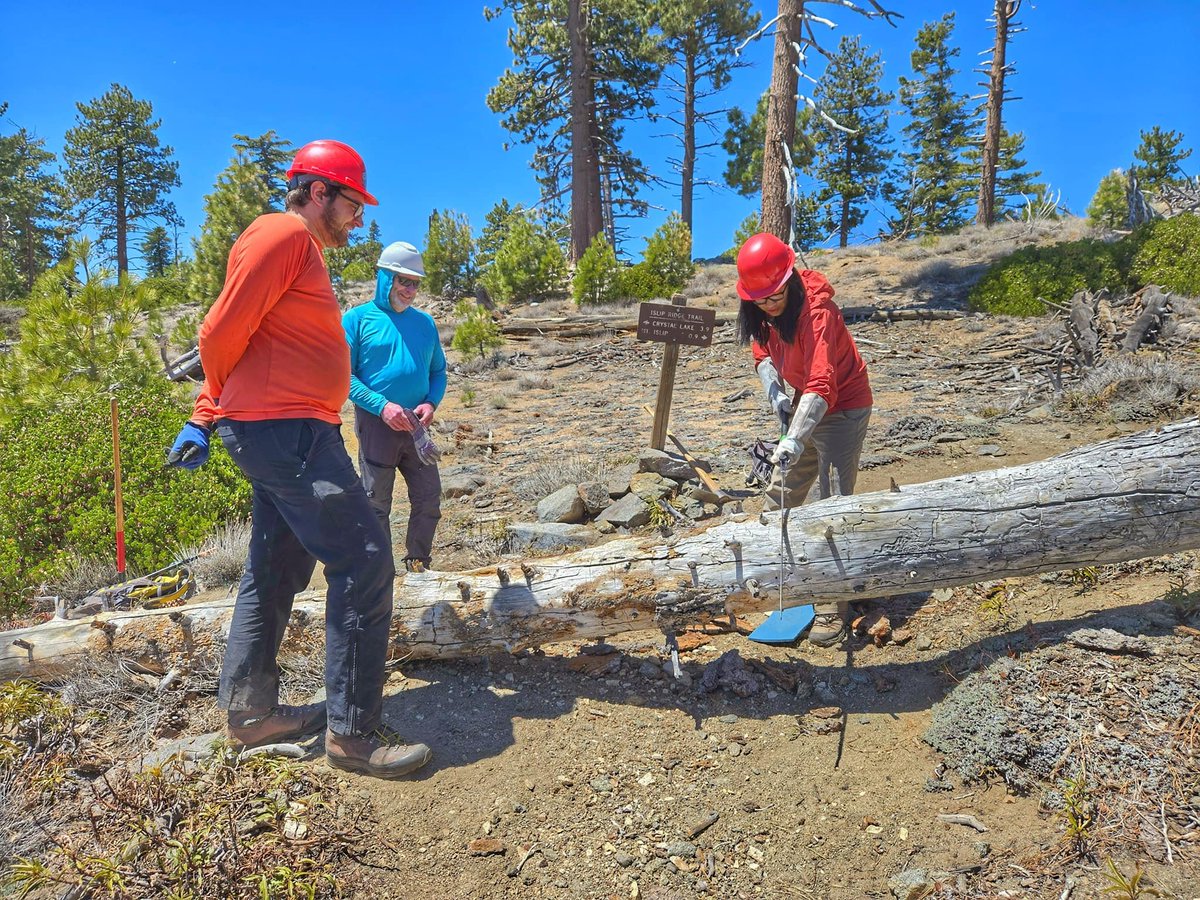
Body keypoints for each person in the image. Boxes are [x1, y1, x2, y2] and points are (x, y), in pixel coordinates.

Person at [166, 140, 432, 779]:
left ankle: (251, 716)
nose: (358, 218)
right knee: (364, 562)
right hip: (287, 435)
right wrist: (206, 412)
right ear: (318, 192)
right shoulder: (282, 233)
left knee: (274, 566)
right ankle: (354, 735)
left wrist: (209, 415)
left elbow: (244, 342)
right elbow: (218, 334)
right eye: (351, 203)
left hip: (282, 429)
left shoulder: (297, 248)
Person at [735, 232, 873, 647]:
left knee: (831, 502)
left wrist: (795, 438)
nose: (768, 305)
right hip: (803, 404)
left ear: (790, 279)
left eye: (774, 296)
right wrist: (775, 392)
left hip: (843, 407)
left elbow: (822, 382)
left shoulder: (817, 311)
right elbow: (762, 352)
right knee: (780, 495)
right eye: (758, 300)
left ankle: (835, 601)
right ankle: (777, 576)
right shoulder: (762, 310)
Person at [342, 242, 446, 573]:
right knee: (375, 503)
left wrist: (431, 402)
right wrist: (382, 406)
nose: (410, 290)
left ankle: (418, 563)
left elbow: (438, 371)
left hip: (417, 428)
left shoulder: (425, 323)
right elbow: (344, 377)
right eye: (403, 281)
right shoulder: (357, 319)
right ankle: (379, 572)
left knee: (429, 498)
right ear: (386, 278)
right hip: (377, 426)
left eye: (415, 283)